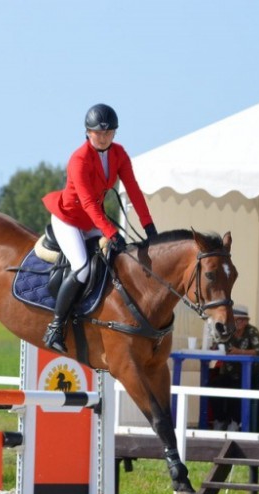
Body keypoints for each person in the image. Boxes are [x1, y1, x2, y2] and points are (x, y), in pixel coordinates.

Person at [41, 103, 159, 353]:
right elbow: (86, 203)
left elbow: (134, 191)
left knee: (117, 259)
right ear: (88, 132)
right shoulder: (79, 159)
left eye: (108, 132)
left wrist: (148, 225)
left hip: (92, 220)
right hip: (69, 219)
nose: (104, 137)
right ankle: (55, 327)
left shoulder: (119, 154)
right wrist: (111, 232)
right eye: (98, 132)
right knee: (82, 267)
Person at [210, 305, 259, 431]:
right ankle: (220, 419)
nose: (237, 323)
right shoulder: (226, 331)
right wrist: (213, 347)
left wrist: (239, 352)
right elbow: (216, 346)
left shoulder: (252, 331)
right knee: (214, 385)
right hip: (228, 373)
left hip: (249, 374)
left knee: (238, 388)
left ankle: (235, 421)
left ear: (246, 321)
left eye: (240, 320)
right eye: (234, 320)